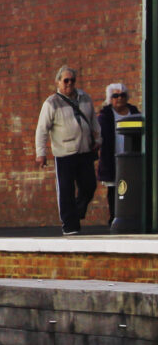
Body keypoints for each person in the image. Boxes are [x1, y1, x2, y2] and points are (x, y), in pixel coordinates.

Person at [35, 65, 99, 235]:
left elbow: (94, 121)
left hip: (84, 150)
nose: (69, 83)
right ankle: (70, 226)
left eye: (72, 80)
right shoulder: (51, 103)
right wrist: (41, 153)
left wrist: (98, 139)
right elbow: (42, 130)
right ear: (58, 82)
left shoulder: (85, 98)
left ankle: (77, 211)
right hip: (64, 152)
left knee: (89, 185)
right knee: (66, 190)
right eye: (66, 80)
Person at [98, 81, 142, 223]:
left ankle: (132, 215)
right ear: (110, 98)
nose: (120, 98)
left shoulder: (134, 112)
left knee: (131, 186)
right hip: (112, 157)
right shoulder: (105, 115)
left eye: (122, 95)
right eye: (115, 96)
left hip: (131, 156)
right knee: (113, 189)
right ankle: (114, 216)